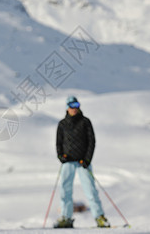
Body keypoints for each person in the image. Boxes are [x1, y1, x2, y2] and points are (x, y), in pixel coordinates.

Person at [54, 96, 110, 228]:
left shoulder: (85, 122)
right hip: (67, 162)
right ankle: (66, 218)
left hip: (82, 162)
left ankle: (100, 217)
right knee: (65, 191)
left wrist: (87, 159)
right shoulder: (62, 124)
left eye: (77, 105)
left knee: (90, 190)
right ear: (67, 107)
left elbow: (92, 141)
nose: (74, 108)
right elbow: (58, 142)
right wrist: (61, 156)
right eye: (72, 105)